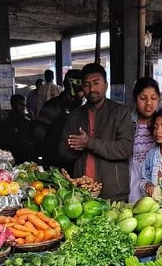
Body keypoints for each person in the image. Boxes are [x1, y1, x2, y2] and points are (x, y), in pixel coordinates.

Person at [57, 63, 134, 201]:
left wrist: (89, 143)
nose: (91, 89)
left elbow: (125, 149)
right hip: (81, 192)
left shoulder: (120, 113)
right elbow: (62, 151)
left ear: (106, 85)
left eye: (96, 83)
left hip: (112, 193)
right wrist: (76, 148)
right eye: (86, 85)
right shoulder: (75, 115)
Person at [32, 69, 83, 173]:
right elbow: (38, 133)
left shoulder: (80, 108)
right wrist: (41, 158)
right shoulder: (54, 106)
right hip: (55, 162)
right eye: (82, 87)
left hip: (74, 161)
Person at [129, 77, 161, 202]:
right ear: (135, 99)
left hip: (157, 178)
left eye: (153, 98)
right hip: (132, 178)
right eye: (143, 98)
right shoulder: (128, 121)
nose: (148, 103)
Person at [0, 94, 34, 164]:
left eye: (24, 105)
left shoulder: (26, 120)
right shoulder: (6, 123)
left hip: (27, 159)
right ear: (13, 106)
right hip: (13, 158)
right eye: (21, 105)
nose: (23, 108)